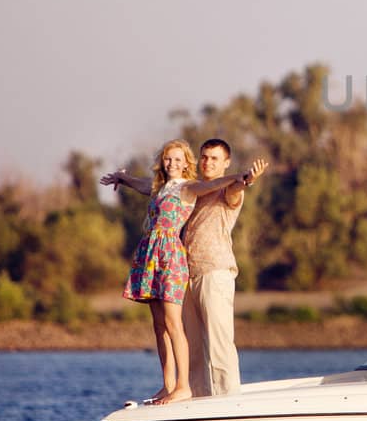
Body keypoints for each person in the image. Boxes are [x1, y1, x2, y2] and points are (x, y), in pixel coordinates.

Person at [101, 140, 259, 405]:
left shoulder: (189, 187)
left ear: (186, 163)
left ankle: (206, 393)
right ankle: (173, 386)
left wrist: (243, 177)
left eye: (177, 160)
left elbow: (215, 185)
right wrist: (123, 178)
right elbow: (144, 186)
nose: (171, 164)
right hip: (154, 258)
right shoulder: (160, 188)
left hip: (176, 257)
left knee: (181, 328)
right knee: (161, 325)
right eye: (167, 159)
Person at [181, 138, 268, 397]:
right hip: (186, 275)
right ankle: (197, 400)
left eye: (214, 158)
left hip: (215, 272)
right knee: (192, 347)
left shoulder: (227, 190)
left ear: (226, 163)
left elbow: (237, 188)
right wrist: (125, 180)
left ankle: (227, 400)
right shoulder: (192, 190)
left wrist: (248, 180)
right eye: (205, 157)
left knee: (219, 344)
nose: (208, 162)